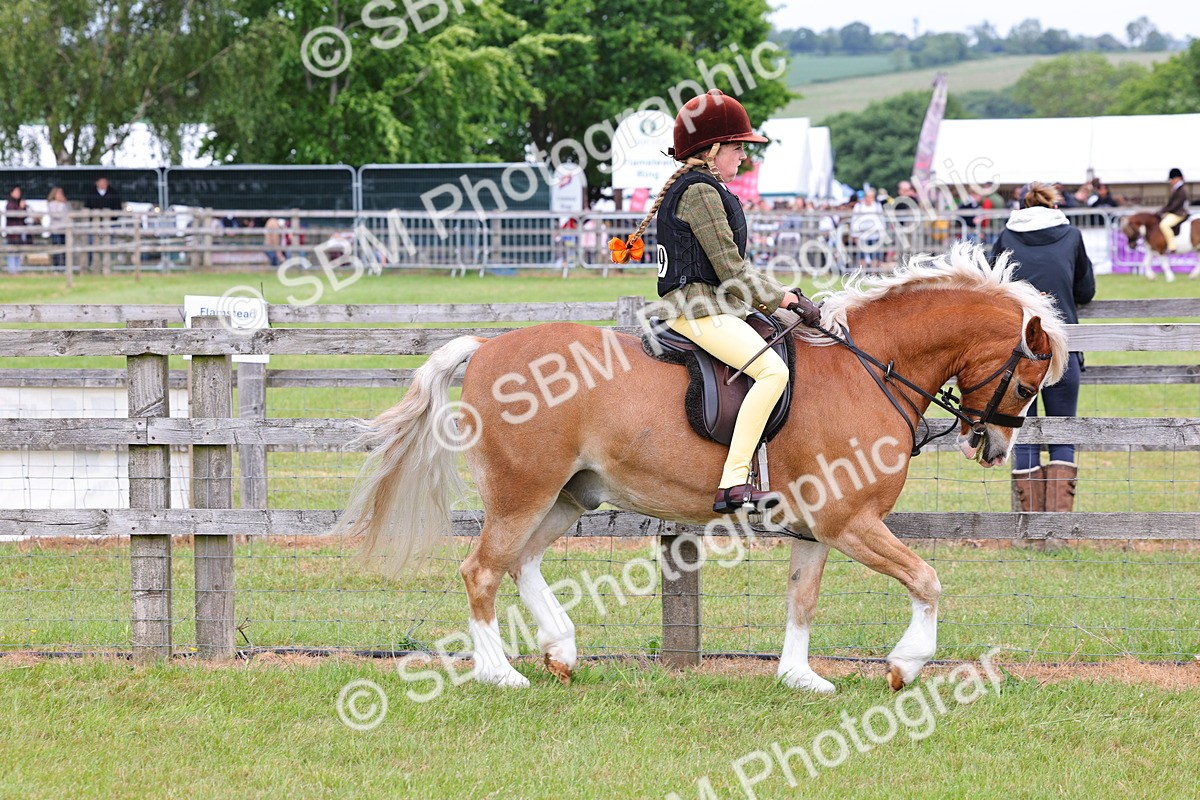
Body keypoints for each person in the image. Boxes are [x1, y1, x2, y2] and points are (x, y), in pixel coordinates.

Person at [609, 88, 822, 514]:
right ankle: (734, 482)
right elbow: (731, 270)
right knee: (772, 372)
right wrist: (784, 299)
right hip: (698, 310)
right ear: (712, 149)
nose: (744, 156)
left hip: (706, 306)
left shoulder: (699, 187)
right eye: (738, 147)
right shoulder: (701, 192)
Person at [991, 182, 1095, 515]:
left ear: (1020, 207)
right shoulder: (1072, 236)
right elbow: (1086, 289)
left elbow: (994, 286)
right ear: (1054, 206)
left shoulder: (1006, 237)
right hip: (1061, 348)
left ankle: (1030, 525)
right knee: (1063, 429)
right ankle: (1058, 528)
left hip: (1017, 351)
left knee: (1022, 431)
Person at [1157, 168, 1189, 252]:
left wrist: (1163, 211)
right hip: (1174, 212)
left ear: (1177, 178)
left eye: (1172, 179)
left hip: (1179, 213)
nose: (1170, 181)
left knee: (1164, 225)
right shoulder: (1176, 189)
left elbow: (1175, 205)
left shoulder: (1182, 190)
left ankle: (1172, 246)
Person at [5, 186, 29, 273]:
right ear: (11, 193)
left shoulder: (20, 203)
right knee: (12, 250)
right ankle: (12, 270)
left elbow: (24, 215)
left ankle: (18, 269)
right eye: (16, 191)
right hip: (13, 233)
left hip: (20, 232)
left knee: (19, 250)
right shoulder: (10, 204)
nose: (18, 193)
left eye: (19, 191)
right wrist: (22, 208)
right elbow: (17, 215)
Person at [47, 187, 70, 270]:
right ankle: (56, 267)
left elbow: (68, 215)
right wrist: (62, 205)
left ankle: (65, 267)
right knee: (56, 249)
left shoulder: (65, 204)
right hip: (55, 229)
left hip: (64, 229)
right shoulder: (51, 204)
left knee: (65, 249)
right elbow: (56, 215)